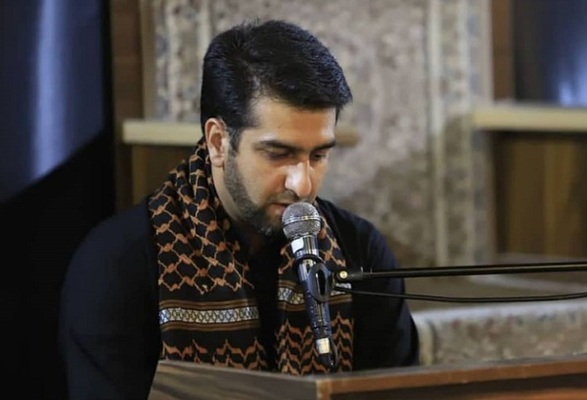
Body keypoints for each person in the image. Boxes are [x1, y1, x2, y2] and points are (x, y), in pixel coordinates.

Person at [59, 18, 420, 399]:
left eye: (318, 156)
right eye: (278, 153)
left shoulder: (359, 251)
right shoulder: (118, 264)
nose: (302, 184)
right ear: (218, 142)